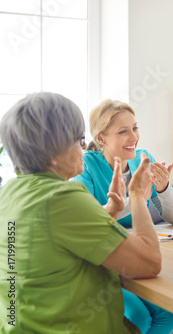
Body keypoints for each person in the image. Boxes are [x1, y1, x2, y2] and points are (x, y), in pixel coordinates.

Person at [0, 92, 161, 333]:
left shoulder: (9, 193)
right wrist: (137, 196)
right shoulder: (62, 197)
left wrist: (110, 211)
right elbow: (149, 263)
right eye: (79, 140)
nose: (84, 148)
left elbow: (59, 240)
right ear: (55, 152)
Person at [71, 99, 173, 333]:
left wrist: (163, 189)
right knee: (139, 316)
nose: (134, 137)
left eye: (135, 128)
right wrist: (136, 197)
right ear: (101, 138)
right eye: (123, 131)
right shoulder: (86, 166)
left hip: (134, 258)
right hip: (101, 263)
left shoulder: (143, 158)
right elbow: (91, 222)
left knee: (171, 312)